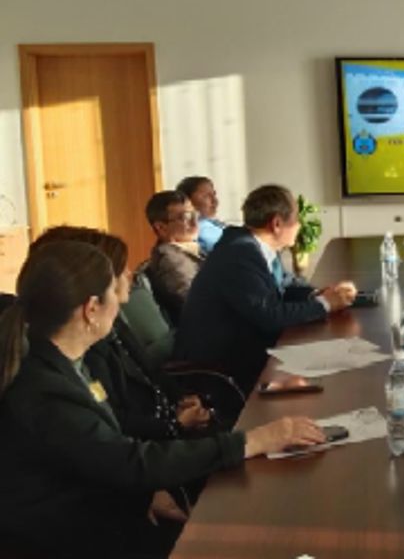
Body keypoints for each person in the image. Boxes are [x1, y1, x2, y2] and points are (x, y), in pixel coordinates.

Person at [0, 241, 325, 558]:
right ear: (91, 309)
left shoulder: (68, 364)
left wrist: (143, 496)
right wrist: (252, 441)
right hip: (68, 537)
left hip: (101, 510)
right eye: (113, 290)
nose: (121, 300)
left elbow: (99, 452)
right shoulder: (45, 389)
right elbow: (129, 462)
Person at [30, 227, 209, 441]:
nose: (130, 273)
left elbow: (151, 372)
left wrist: (181, 399)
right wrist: (174, 425)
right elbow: (114, 424)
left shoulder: (113, 323)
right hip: (149, 443)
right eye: (121, 268)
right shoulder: (85, 344)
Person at [175, 184, 357, 393]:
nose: (299, 225)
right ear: (277, 224)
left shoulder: (254, 245)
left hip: (248, 348)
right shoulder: (239, 254)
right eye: (296, 219)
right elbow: (269, 316)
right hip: (223, 367)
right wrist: (325, 304)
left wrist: (318, 294)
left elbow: (286, 284)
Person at [144, 190, 205, 326]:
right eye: (186, 217)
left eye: (195, 215)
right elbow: (197, 304)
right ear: (161, 227)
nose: (195, 222)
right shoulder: (170, 259)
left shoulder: (191, 249)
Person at [176, 176, 225, 254]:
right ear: (188, 202)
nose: (215, 201)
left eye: (214, 195)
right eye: (206, 196)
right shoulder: (199, 228)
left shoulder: (214, 224)